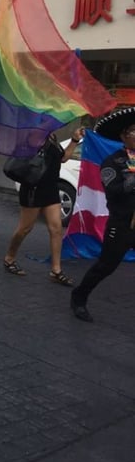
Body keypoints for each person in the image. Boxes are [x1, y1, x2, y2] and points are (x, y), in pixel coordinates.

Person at [71, 108, 135, 323]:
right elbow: (114, 191)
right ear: (123, 136)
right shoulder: (112, 162)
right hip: (122, 224)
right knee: (106, 266)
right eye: (134, 131)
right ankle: (79, 296)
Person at [2, 128, 84, 285]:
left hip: (51, 189)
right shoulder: (32, 136)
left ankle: (56, 270)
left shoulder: (51, 137)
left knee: (56, 229)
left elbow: (63, 158)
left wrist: (74, 140)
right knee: (24, 229)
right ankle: (9, 258)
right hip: (33, 189)